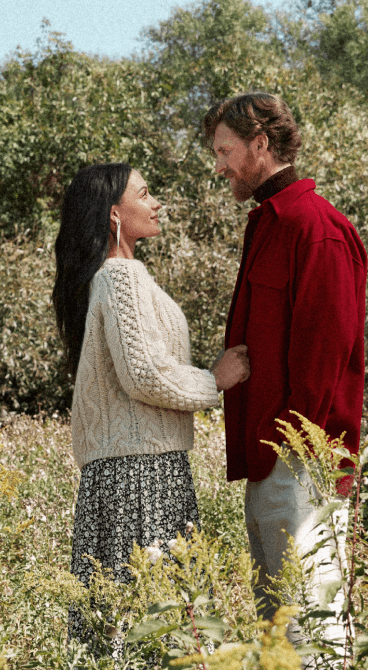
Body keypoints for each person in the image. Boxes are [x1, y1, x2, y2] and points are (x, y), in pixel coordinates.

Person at [52, 163, 250, 652]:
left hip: (128, 471)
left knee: (128, 623)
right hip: (142, 474)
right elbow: (144, 373)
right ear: (114, 214)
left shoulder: (113, 277)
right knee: (155, 624)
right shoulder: (121, 277)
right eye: (145, 193)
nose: (157, 201)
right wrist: (213, 381)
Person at [202, 93, 367, 644]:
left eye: (225, 150)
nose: (219, 164)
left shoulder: (314, 227)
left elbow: (327, 351)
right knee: (280, 634)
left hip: (301, 464)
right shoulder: (270, 223)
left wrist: (287, 444)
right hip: (269, 462)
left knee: (313, 634)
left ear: (260, 144)